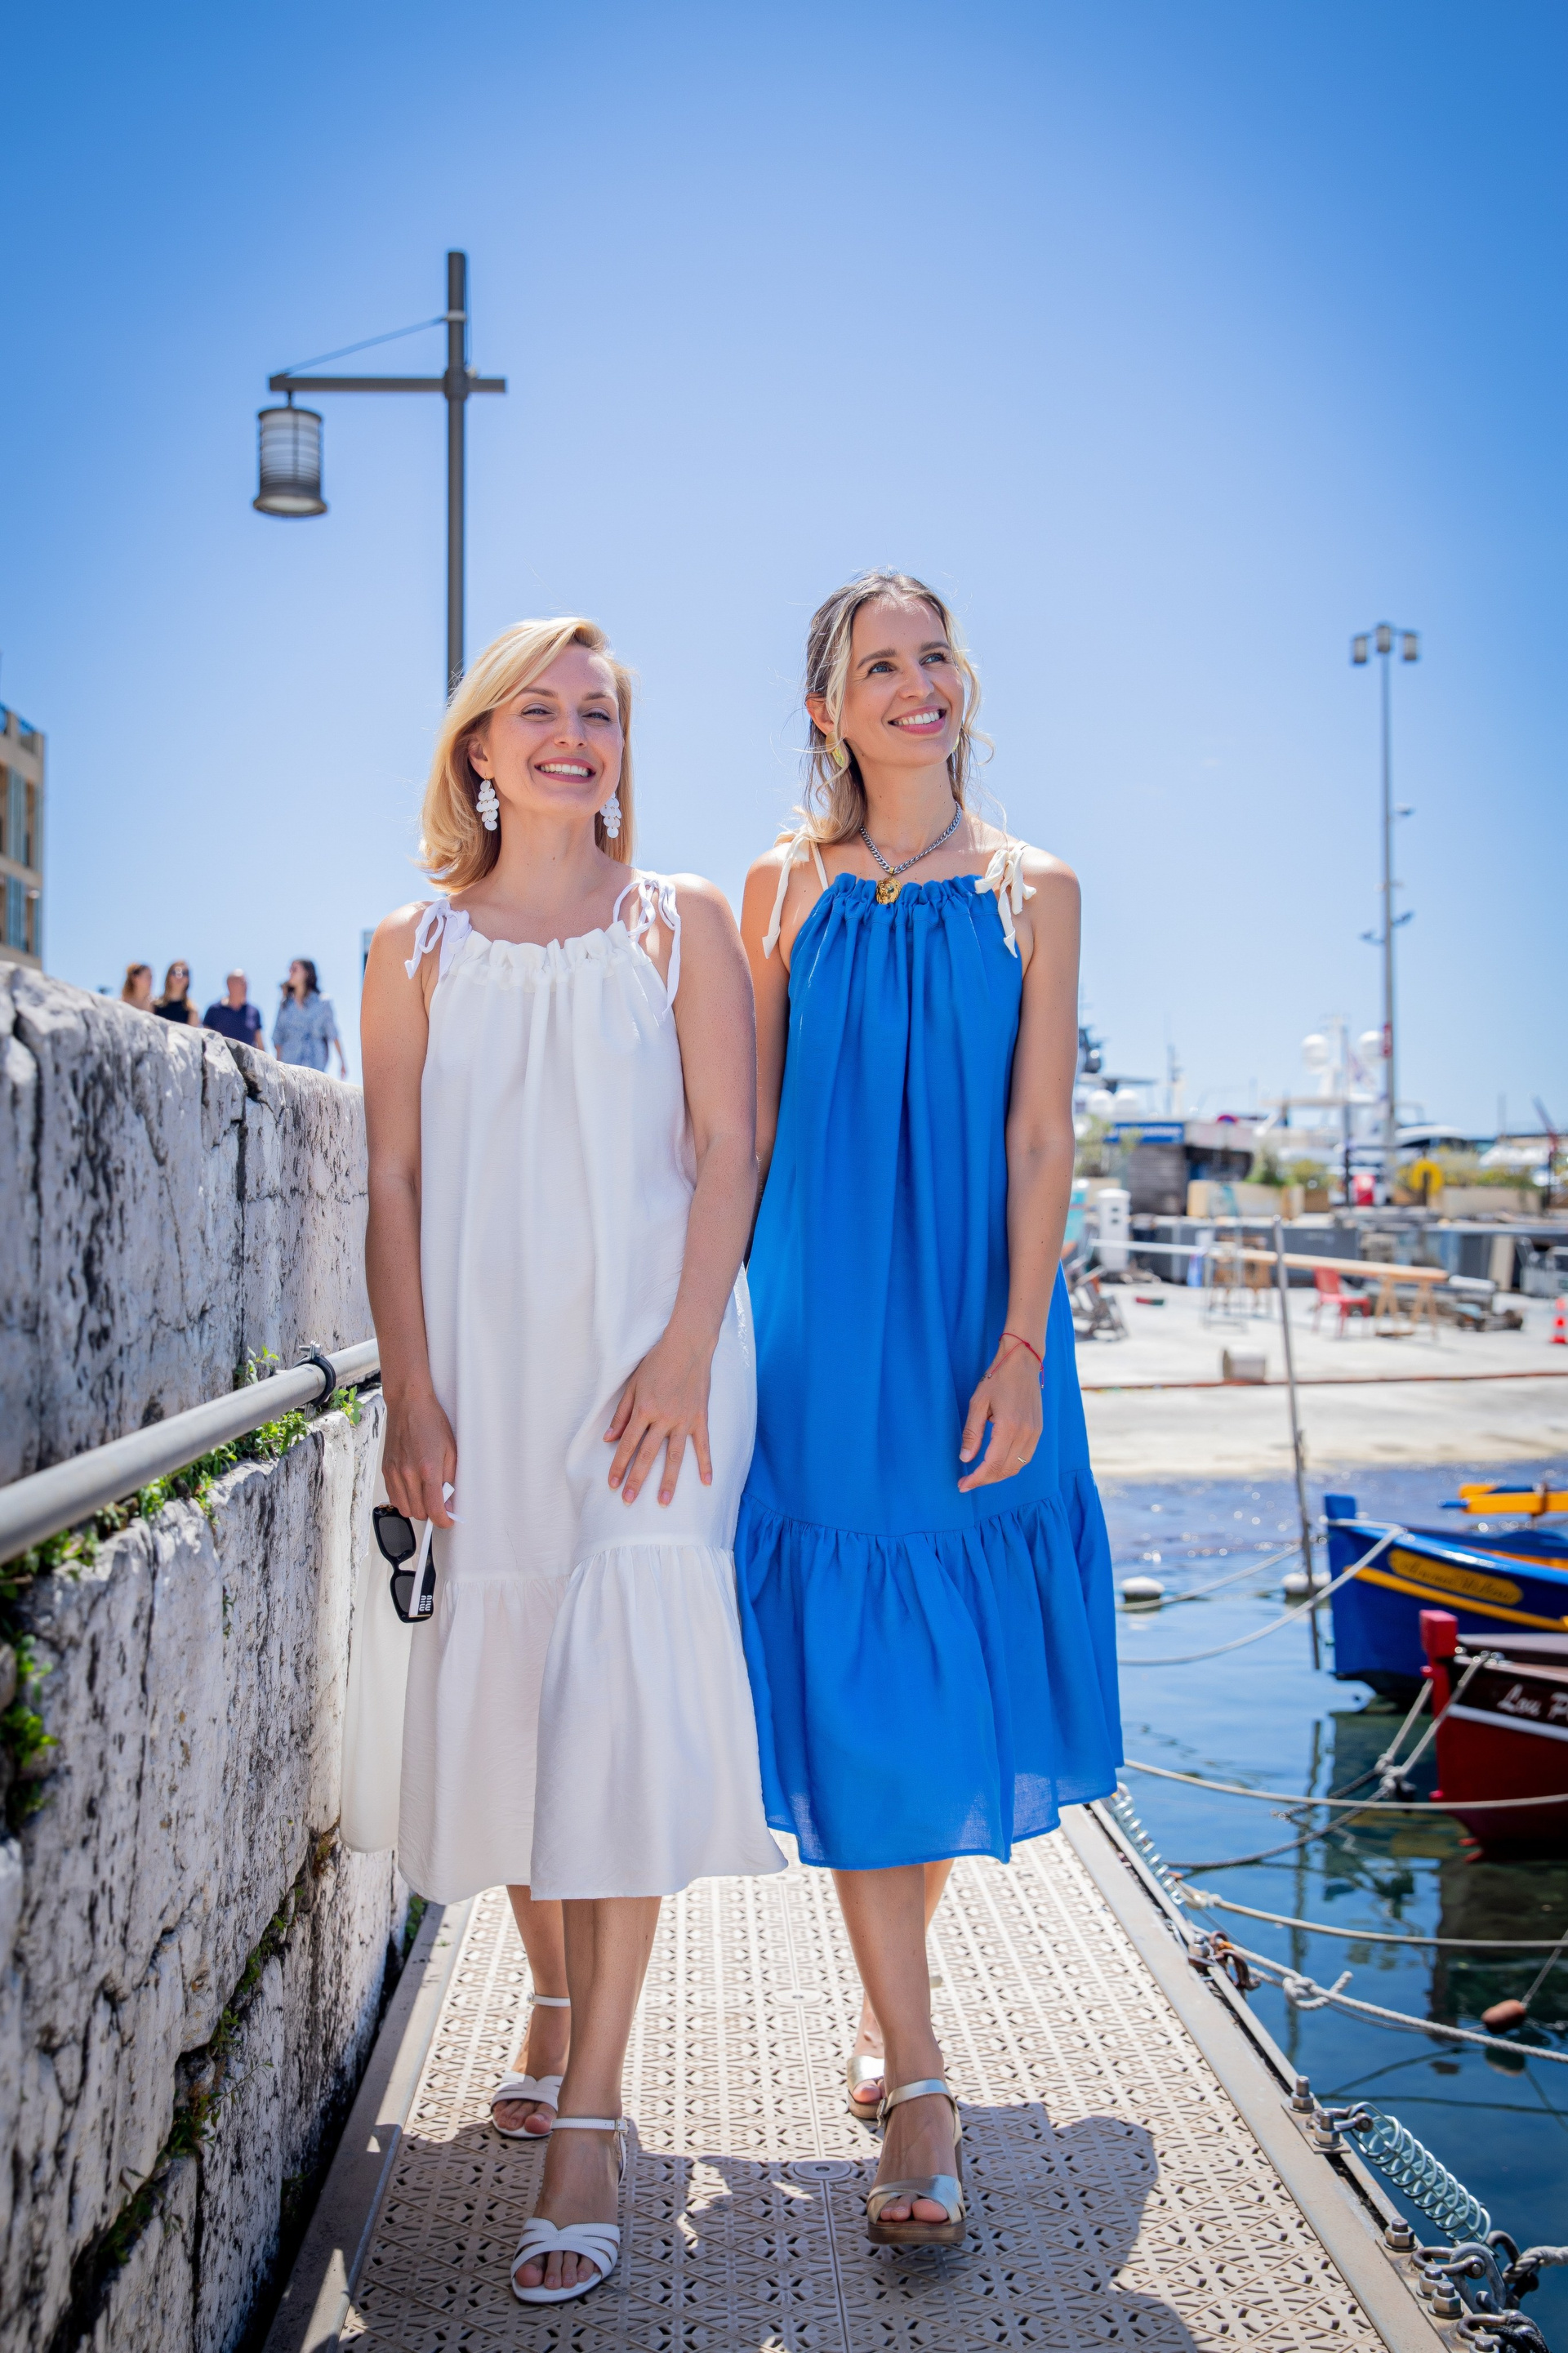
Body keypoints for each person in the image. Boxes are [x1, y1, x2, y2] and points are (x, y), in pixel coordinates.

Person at [359, 617, 782, 2308]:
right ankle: (549, 1999)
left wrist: (682, 1347)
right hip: (480, 1366)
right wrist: (409, 1394)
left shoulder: (679, 921)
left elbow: (731, 1146)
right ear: (477, 746)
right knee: (525, 1690)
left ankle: (591, 2116)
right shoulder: (410, 946)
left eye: (597, 712)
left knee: (612, 1703)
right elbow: (392, 1183)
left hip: (653, 1372)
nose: (571, 734)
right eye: (536, 708)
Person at [736, 571, 1121, 2250]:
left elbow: (1042, 1134)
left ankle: (895, 2009)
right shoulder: (777, 886)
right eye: (877, 663)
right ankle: (919, 2073)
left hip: (982, 1319)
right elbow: (741, 1132)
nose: (917, 683)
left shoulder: (1041, 890)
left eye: (935, 655)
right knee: (860, 1685)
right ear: (827, 707)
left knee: (939, 1685)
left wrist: (1022, 1343)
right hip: (820, 1321)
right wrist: (690, 1334)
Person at [274, 959, 346, 1075]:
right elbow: (278, 1036)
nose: (290, 972)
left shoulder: (323, 1002)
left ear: (306, 973)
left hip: (315, 1066)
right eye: (290, 969)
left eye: (294, 969)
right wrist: (278, 1068)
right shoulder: (285, 1004)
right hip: (289, 1066)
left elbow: (332, 1032)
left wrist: (342, 1062)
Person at [203, 969, 267, 1051]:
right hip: (219, 1057)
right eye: (242, 982)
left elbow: (260, 1045)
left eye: (246, 983)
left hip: (246, 1059)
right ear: (229, 985)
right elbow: (206, 1041)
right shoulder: (214, 1010)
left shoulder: (254, 1012)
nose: (246, 986)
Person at [151, 960, 200, 1025]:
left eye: (184, 973)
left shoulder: (192, 1011)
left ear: (188, 980)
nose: (179, 976)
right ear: (168, 977)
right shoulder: (153, 1004)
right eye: (175, 972)